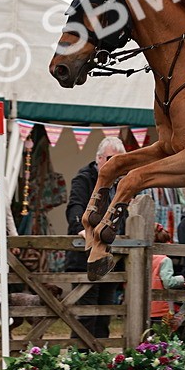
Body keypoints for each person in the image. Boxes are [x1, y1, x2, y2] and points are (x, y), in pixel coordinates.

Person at [64, 136, 126, 340]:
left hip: (111, 257)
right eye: (109, 159)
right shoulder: (85, 178)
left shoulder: (123, 184)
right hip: (84, 258)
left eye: (118, 160)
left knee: (104, 314)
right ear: (98, 158)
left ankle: (99, 363)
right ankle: (80, 363)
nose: (113, 165)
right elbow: (75, 206)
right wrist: (81, 228)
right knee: (85, 315)